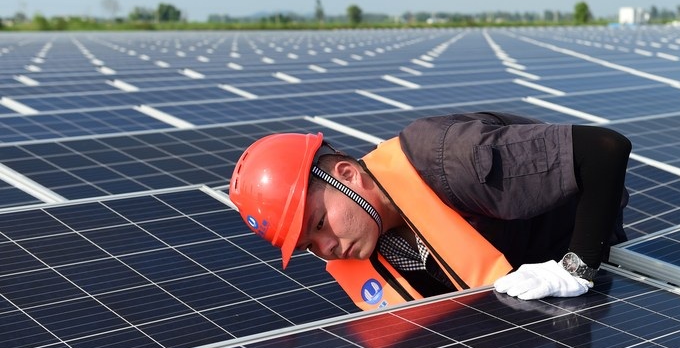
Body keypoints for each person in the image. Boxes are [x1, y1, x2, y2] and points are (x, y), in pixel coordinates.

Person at [230, 111, 631, 311]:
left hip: (580, 260)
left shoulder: (453, 159)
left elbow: (604, 151)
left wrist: (576, 268)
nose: (326, 247)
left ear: (347, 175)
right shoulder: (366, 240)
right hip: (522, 296)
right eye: (308, 245)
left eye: (319, 223)